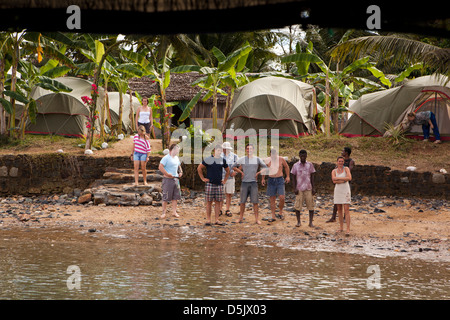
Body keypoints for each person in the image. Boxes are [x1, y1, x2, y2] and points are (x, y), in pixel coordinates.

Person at [233, 144, 267, 225]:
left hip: (253, 183)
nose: (249, 150)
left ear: (253, 150)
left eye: (251, 149)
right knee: (242, 201)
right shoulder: (242, 159)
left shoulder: (257, 159)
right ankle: (240, 218)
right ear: (246, 150)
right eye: (247, 149)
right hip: (244, 183)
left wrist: (258, 173)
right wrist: (241, 172)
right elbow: (233, 167)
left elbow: (265, 167)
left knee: (255, 202)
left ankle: (256, 219)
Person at [197, 145, 230, 226]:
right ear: (214, 150)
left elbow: (228, 170)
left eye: (221, 150)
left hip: (219, 184)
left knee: (218, 202)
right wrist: (202, 178)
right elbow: (199, 168)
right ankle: (208, 219)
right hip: (210, 184)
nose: (220, 152)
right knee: (209, 202)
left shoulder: (223, 160)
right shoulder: (209, 159)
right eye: (218, 150)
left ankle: (216, 219)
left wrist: (225, 180)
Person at [260, 148, 290, 221]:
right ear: (270, 154)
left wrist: (288, 176)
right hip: (271, 179)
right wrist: (263, 178)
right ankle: (273, 215)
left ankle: (280, 212)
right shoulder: (267, 160)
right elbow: (264, 169)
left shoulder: (281, 159)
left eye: (275, 154)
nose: (273, 156)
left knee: (282, 197)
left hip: (279, 179)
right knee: (272, 198)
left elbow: (286, 167)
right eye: (272, 154)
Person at [327, 147, 355, 223]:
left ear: (346, 152)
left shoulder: (350, 161)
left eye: (343, 151)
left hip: (346, 184)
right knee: (337, 201)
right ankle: (333, 217)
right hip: (341, 182)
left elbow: (348, 172)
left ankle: (344, 217)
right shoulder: (342, 162)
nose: (342, 152)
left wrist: (339, 179)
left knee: (345, 201)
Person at [290, 150, 316, 227]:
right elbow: (293, 177)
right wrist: (294, 188)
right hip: (299, 188)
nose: (303, 157)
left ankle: (310, 222)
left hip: (308, 188)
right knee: (297, 206)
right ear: (299, 155)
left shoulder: (310, 165)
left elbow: (312, 177)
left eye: (304, 155)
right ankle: (298, 222)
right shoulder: (295, 165)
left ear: (306, 155)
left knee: (311, 206)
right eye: (301, 156)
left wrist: (313, 188)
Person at [158, 144, 182, 219]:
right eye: (177, 150)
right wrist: (167, 174)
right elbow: (160, 167)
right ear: (173, 150)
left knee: (175, 196)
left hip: (176, 179)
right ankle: (163, 212)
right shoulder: (166, 158)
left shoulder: (176, 158)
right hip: (167, 179)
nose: (178, 151)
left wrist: (181, 172)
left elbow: (179, 166)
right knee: (166, 196)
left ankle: (174, 212)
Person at [332, 156, 352, 236]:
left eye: (342, 161)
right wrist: (344, 179)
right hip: (338, 190)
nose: (340, 163)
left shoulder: (346, 169)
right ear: (337, 162)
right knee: (339, 209)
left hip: (345, 189)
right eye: (339, 161)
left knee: (346, 209)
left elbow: (349, 178)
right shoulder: (334, 171)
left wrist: (339, 180)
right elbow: (333, 180)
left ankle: (348, 229)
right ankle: (341, 227)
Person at [221, 141, 238, 217]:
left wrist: (235, 172)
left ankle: (227, 209)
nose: (225, 150)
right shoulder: (219, 156)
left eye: (227, 149)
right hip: (221, 177)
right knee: (220, 195)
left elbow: (240, 165)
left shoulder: (234, 156)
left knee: (228, 194)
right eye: (224, 149)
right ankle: (220, 209)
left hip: (230, 178)